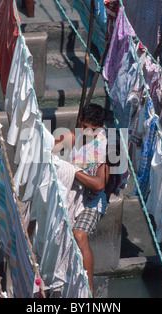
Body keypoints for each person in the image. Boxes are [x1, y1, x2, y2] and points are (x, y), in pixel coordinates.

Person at [53, 103, 110, 297]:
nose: (89, 134)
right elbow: (48, 155)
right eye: (86, 128)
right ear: (80, 122)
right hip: (71, 195)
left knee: (79, 235)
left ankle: (89, 289)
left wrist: (73, 170)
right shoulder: (70, 137)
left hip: (92, 202)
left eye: (95, 130)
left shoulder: (106, 148)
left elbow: (99, 184)